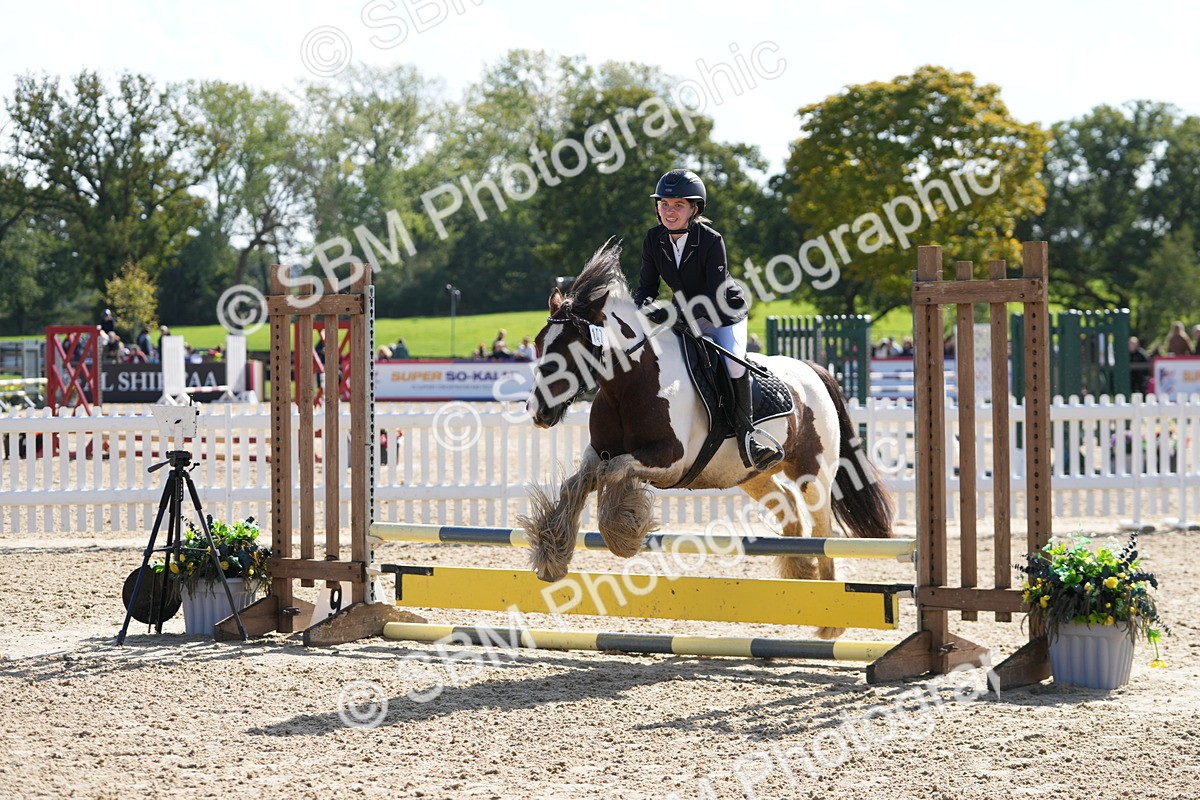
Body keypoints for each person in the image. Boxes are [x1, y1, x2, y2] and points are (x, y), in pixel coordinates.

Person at [634, 168, 780, 470]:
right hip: (684, 314)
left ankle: (747, 436)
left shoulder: (711, 240)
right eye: (664, 204)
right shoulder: (653, 239)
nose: (669, 211)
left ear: (694, 209)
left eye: (678, 205)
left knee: (733, 364)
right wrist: (638, 312)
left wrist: (671, 312)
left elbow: (714, 296)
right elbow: (646, 287)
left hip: (723, 312)